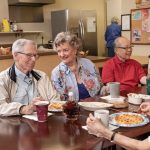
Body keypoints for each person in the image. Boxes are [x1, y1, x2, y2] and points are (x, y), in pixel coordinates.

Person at [0, 39, 59, 116]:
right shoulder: (3, 79)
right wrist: (23, 109)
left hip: (41, 122)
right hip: (15, 126)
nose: (34, 59)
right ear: (15, 55)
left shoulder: (42, 76)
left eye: (35, 55)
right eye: (29, 55)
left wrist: (47, 104)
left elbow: (55, 100)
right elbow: (1, 106)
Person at [51, 32, 103, 101]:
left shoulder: (89, 64)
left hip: (95, 108)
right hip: (71, 111)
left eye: (65, 50)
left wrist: (107, 89)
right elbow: (57, 101)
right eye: (59, 51)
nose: (62, 54)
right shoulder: (56, 73)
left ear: (75, 50)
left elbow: (100, 89)